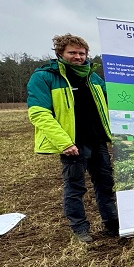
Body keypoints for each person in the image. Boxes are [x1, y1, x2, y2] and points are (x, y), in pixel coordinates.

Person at [26, 34, 119, 243]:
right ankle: (80, 229)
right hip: (72, 143)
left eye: (81, 53)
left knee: (106, 184)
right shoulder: (45, 77)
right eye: (72, 53)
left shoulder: (93, 77)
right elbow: (39, 113)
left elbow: (113, 101)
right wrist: (64, 142)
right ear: (60, 53)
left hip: (97, 141)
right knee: (75, 187)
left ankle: (112, 223)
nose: (78, 57)